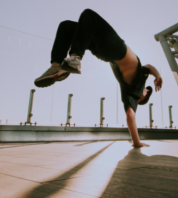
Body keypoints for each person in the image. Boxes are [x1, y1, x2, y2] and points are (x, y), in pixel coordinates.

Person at [34, 9, 162, 147]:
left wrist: (137, 142)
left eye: (147, 92)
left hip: (115, 47)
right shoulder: (143, 74)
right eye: (148, 89)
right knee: (66, 27)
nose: (147, 89)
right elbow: (149, 66)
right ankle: (56, 66)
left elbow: (130, 116)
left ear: (142, 97)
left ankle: (75, 58)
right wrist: (158, 75)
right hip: (103, 51)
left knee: (89, 15)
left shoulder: (132, 94)